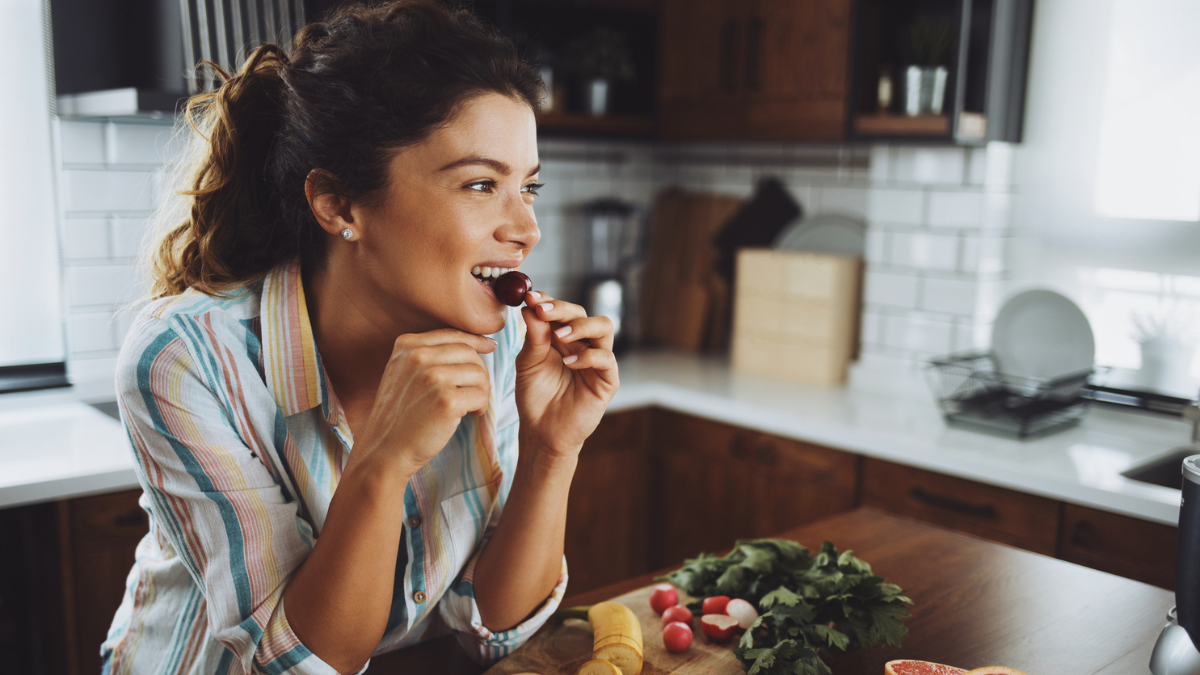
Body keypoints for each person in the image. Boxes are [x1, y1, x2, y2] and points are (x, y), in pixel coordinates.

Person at [101, 2, 618, 673]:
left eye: (529, 186)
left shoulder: (498, 337)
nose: (527, 227)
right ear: (339, 204)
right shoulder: (186, 358)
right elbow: (300, 664)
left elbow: (496, 626)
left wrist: (554, 448)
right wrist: (381, 461)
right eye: (482, 184)